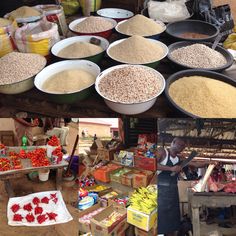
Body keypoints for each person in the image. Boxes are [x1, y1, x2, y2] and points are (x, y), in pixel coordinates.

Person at [157, 137, 216, 236]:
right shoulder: (162, 152)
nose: (182, 148)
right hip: (160, 191)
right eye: (180, 145)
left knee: (173, 218)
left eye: (183, 147)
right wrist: (171, 168)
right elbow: (152, 163)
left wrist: (208, 163)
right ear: (173, 142)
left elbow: (196, 165)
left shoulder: (180, 159)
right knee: (161, 217)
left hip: (172, 191)